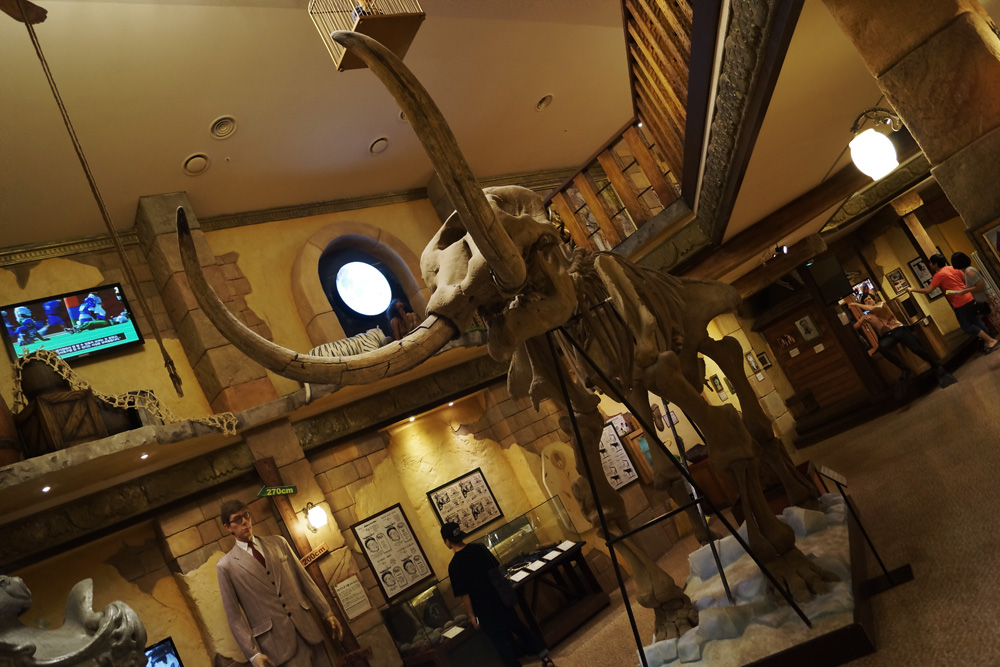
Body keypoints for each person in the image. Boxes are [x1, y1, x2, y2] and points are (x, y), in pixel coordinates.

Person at [217, 500, 341, 667]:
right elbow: (234, 617)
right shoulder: (226, 567)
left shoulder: (278, 543)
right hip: (277, 645)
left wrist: (327, 612)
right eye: (237, 519)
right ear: (228, 527)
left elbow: (304, 580)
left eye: (246, 515)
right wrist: (253, 654)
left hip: (308, 630)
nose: (245, 522)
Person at [441, 522, 555, 667]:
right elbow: (496, 569)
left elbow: (465, 595)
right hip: (499, 597)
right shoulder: (479, 548)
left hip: (482, 608)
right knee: (520, 628)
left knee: (500, 642)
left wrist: (472, 616)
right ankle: (546, 658)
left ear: (447, 541)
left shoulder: (454, 566)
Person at [847, 294, 956, 396]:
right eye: (865, 301)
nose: (868, 301)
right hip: (887, 336)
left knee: (916, 349)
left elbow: (873, 308)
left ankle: (935, 365)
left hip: (898, 329)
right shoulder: (868, 316)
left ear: (873, 299)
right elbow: (855, 327)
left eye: (869, 299)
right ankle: (904, 369)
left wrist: (856, 304)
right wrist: (862, 319)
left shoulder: (881, 304)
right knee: (882, 348)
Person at [907, 253, 998, 354]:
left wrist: (912, 290)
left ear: (936, 264)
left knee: (966, 326)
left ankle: (990, 340)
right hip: (969, 298)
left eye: (930, 263)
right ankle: (989, 340)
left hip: (960, 303)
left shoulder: (939, 275)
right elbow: (965, 281)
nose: (929, 265)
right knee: (975, 321)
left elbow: (928, 290)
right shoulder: (952, 268)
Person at [950, 252, 1000, 335]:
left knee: (997, 319)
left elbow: (980, 286)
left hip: (987, 298)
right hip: (986, 297)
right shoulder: (969, 270)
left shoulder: (969, 271)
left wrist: (965, 291)